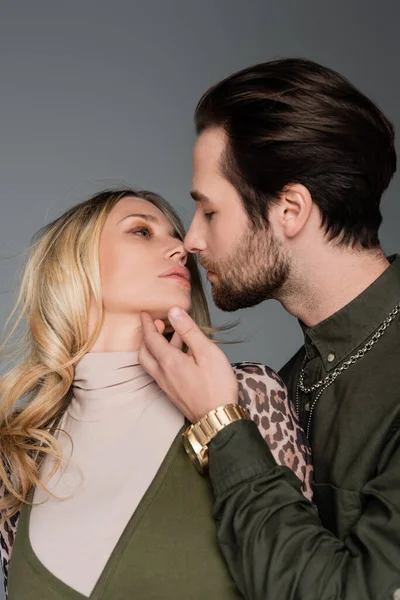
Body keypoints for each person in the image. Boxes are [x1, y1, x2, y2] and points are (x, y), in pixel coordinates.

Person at [139, 58, 400, 599]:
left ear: (290, 209)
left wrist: (219, 425)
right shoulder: (283, 384)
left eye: (209, 212)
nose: (190, 241)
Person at [0, 188, 312, 599]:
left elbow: (305, 579)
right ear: (75, 266)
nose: (182, 248)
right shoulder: (17, 463)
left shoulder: (249, 395)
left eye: (174, 234)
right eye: (142, 231)